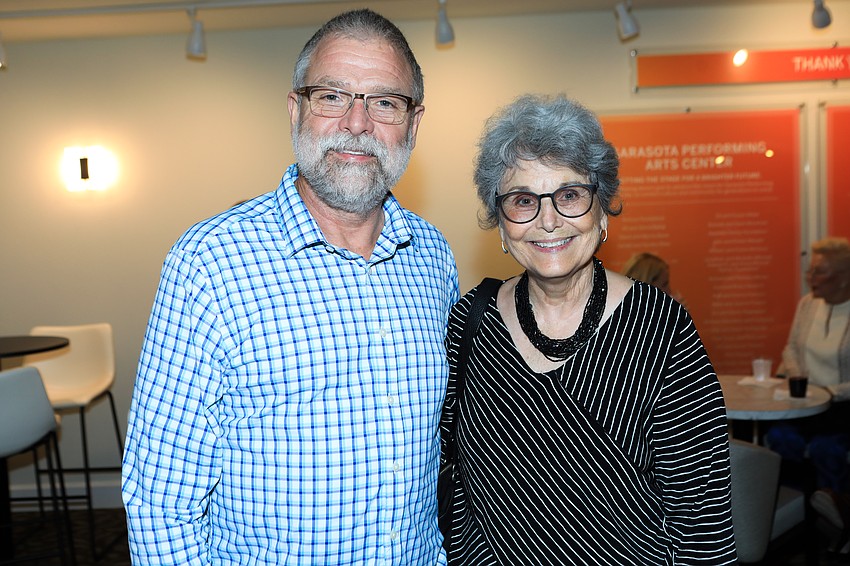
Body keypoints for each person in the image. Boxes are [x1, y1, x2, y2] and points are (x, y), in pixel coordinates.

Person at [122, 10, 459, 564]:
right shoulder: (209, 263)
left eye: (385, 102)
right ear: (295, 108)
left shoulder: (433, 256)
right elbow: (161, 501)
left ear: (414, 123)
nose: (357, 123)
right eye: (332, 96)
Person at [440, 94, 736, 564]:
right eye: (522, 201)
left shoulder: (660, 326)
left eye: (570, 195)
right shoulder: (470, 323)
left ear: (601, 211)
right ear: (501, 223)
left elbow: (702, 519)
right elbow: (458, 487)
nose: (549, 220)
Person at [766, 237, 850, 538]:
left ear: (844, 278)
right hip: (803, 401)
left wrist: (831, 392)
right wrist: (799, 377)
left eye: (820, 272)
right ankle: (801, 514)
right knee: (779, 438)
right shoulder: (808, 304)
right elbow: (790, 349)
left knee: (828, 448)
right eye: (810, 270)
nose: (810, 278)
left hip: (841, 407)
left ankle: (837, 511)